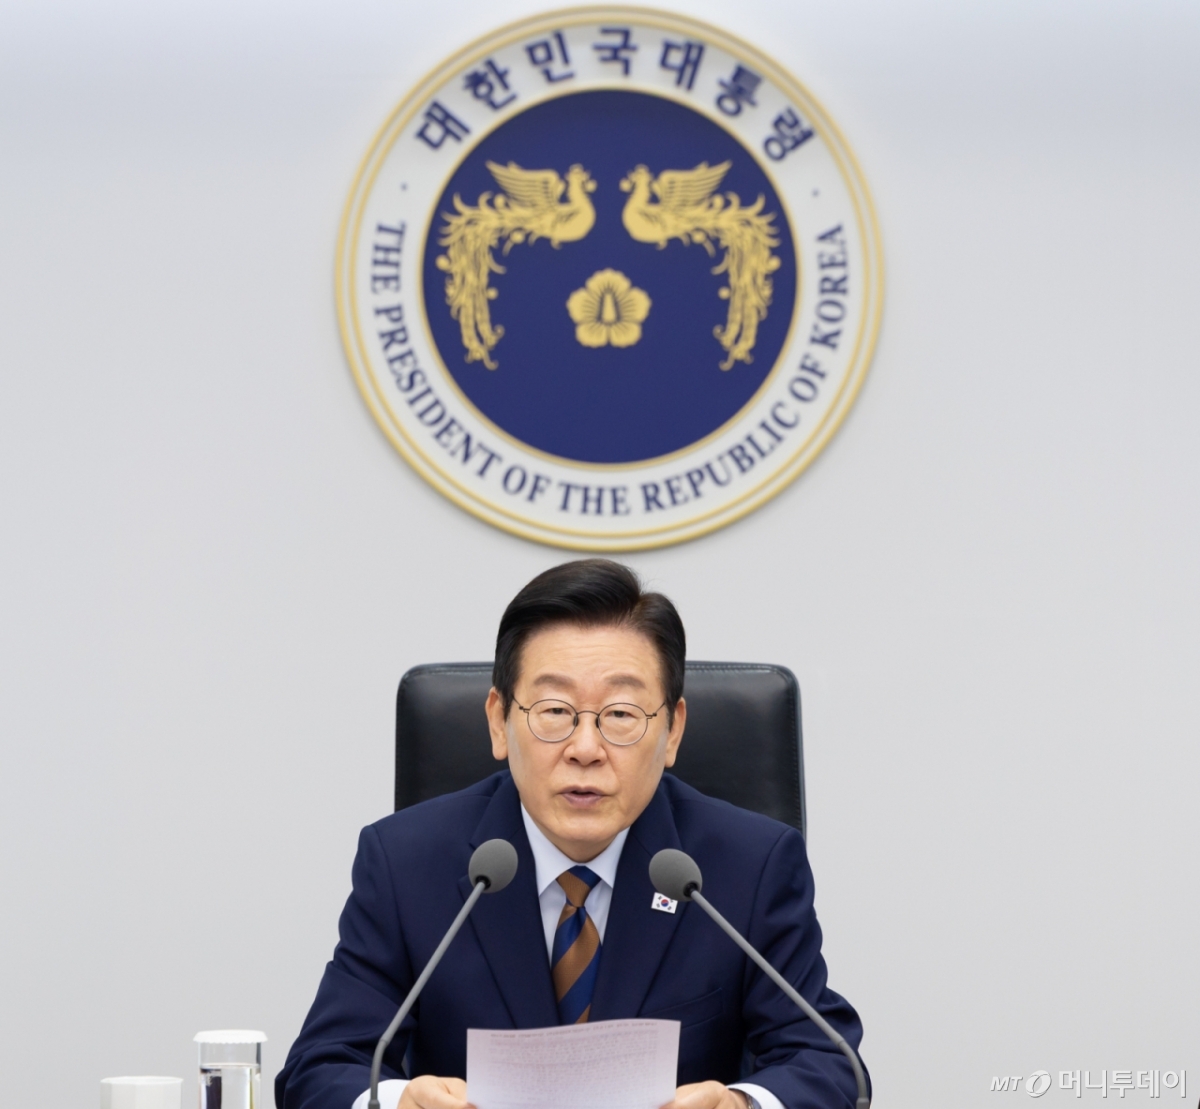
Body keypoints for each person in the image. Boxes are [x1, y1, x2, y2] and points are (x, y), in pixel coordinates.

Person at [276, 560, 867, 1109]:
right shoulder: (406, 863)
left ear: (673, 731)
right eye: (555, 711)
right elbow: (321, 1067)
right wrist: (396, 1102)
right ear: (499, 722)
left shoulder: (748, 866)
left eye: (621, 715)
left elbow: (827, 1061)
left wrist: (742, 1105)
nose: (586, 749)